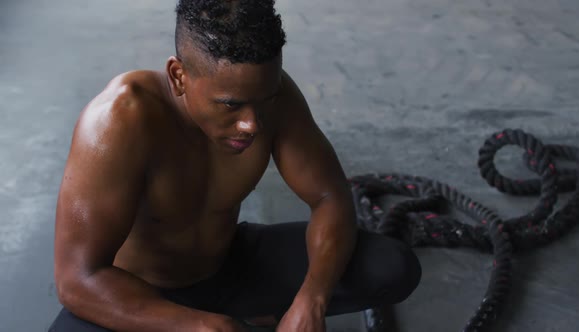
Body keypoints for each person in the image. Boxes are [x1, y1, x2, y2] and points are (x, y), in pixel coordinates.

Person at [49, 1, 421, 331]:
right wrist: (193, 325)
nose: (253, 124)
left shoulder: (273, 97)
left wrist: (312, 300)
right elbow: (77, 279)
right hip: (142, 294)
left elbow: (329, 196)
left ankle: (260, 314)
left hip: (229, 267)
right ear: (179, 76)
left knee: (391, 265)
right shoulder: (119, 120)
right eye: (230, 104)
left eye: (265, 100)